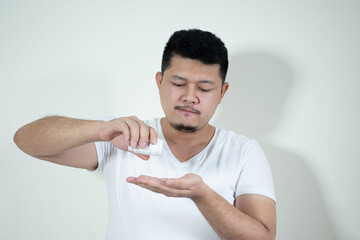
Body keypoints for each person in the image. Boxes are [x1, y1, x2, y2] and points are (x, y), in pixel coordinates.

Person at [14, 29, 276, 240]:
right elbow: (25, 140)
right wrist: (99, 129)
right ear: (159, 82)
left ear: (222, 92)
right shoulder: (121, 134)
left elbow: (263, 237)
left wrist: (203, 196)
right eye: (178, 83)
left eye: (204, 88)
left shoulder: (243, 151)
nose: (189, 97)